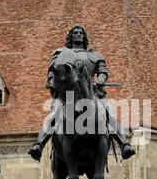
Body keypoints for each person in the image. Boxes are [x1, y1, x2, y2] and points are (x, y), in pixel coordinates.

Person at [28, 24, 136, 161]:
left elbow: (103, 72)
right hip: (67, 93)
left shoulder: (95, 56)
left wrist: (101, 79)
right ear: (70, 36)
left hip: (93, 92)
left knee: (109, 114)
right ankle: (39, 144)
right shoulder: (61, 54)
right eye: (75, 32)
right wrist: (51, 82)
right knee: (54, 114)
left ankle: (124, 144)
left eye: (80, 32)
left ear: (84, 37)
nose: (78, 34)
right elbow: (52, 70)